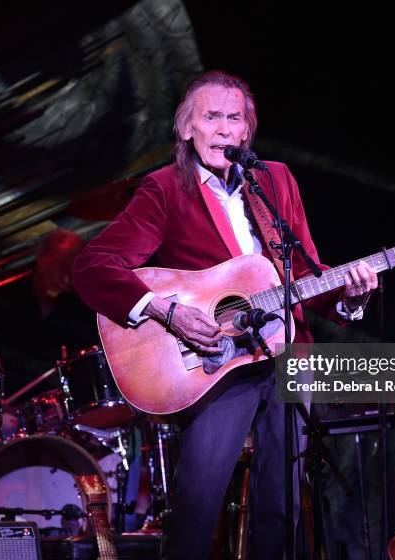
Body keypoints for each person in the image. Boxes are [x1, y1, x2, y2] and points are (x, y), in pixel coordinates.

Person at [72, 70, 378, 559]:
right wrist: (166, 311)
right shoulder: (166, 188)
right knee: (197, 507)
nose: (222, 129)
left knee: (282, 510)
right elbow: (93, 265)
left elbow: (305, 276)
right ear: (186, 128)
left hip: (287, 355)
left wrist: (351, 298)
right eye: (210, 116)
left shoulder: (274, 181)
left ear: (247, 131)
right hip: (214, 363)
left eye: (233, 118)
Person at [0, 228, 99, 398]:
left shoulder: (83, 313)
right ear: (41, 256)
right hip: (5, 409)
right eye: (61, 267)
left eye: (72, 273)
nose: (65, 279)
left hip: (66, 412)